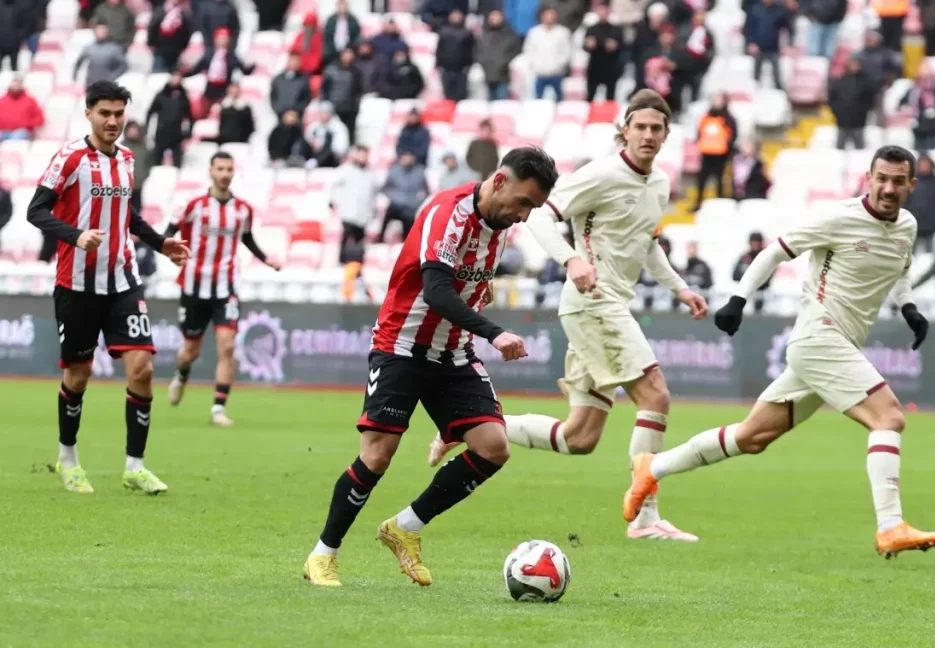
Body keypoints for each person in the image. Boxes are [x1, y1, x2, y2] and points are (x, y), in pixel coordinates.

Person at [624, 145, 935, 559]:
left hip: (834, 347)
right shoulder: (839, 218)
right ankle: (890, 527)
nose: (888, 188)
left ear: (911, 185)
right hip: (819, 339)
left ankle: (651, 468)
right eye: (881, 179)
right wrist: (739, 299)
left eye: (897, 181)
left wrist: (909, 308)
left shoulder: (907, 226)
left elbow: (901, 270)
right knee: (889, 417)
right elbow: (774, 251)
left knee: (752, 436)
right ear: (868, 178)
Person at [427, 90, 709, 542]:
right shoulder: (601, 174)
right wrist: (571, 261)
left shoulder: (658, 184)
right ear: (625, 129)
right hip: (594, 301)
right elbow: (540, 219)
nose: (649, 135)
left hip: (606, 304)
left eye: (657, 128)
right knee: (655, 397)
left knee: (580, 437)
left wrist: (681, 289)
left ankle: (465, 429)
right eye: (640, 126)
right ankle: (646, 518)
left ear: (667, 134)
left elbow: (647, 243)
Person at [302, 147, 559, 588]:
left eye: (532, 208)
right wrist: (494, 332)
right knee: (378, 456)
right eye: (523, 202)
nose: (524, 215)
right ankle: (323, 555)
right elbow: (437, 292)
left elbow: (469, 282)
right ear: (500, 181)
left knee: (493, 447)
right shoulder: (447, 213)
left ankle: (405, 527)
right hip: (401, 345)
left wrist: (482, 294)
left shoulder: (498, 225)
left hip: (453, 354)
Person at [25, 81, 191, 494]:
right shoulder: (70, 158)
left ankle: (134, 467)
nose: (113, 121)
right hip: (77, 285)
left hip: (122, 282)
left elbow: (127, 214)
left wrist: (160, 243)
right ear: (89, 114)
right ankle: (68, 460)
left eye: (119, 113)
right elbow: (35, 210)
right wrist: (74, 235)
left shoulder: (129, 160)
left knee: (143, 369)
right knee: (78, 375)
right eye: (105, 113)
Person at [166, 152, 281, 426]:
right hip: (194, 286)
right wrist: (172, 252)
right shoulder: (193, 205)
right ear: (210, 171)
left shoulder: (242, 210)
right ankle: (182, 373)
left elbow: (248, 239)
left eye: (229, 168)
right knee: (190, 351)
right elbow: (169, 233)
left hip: (226, 286)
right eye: (220, 168)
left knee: (227, 346)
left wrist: (266, 259)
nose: (225, 173)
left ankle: (218, 409)